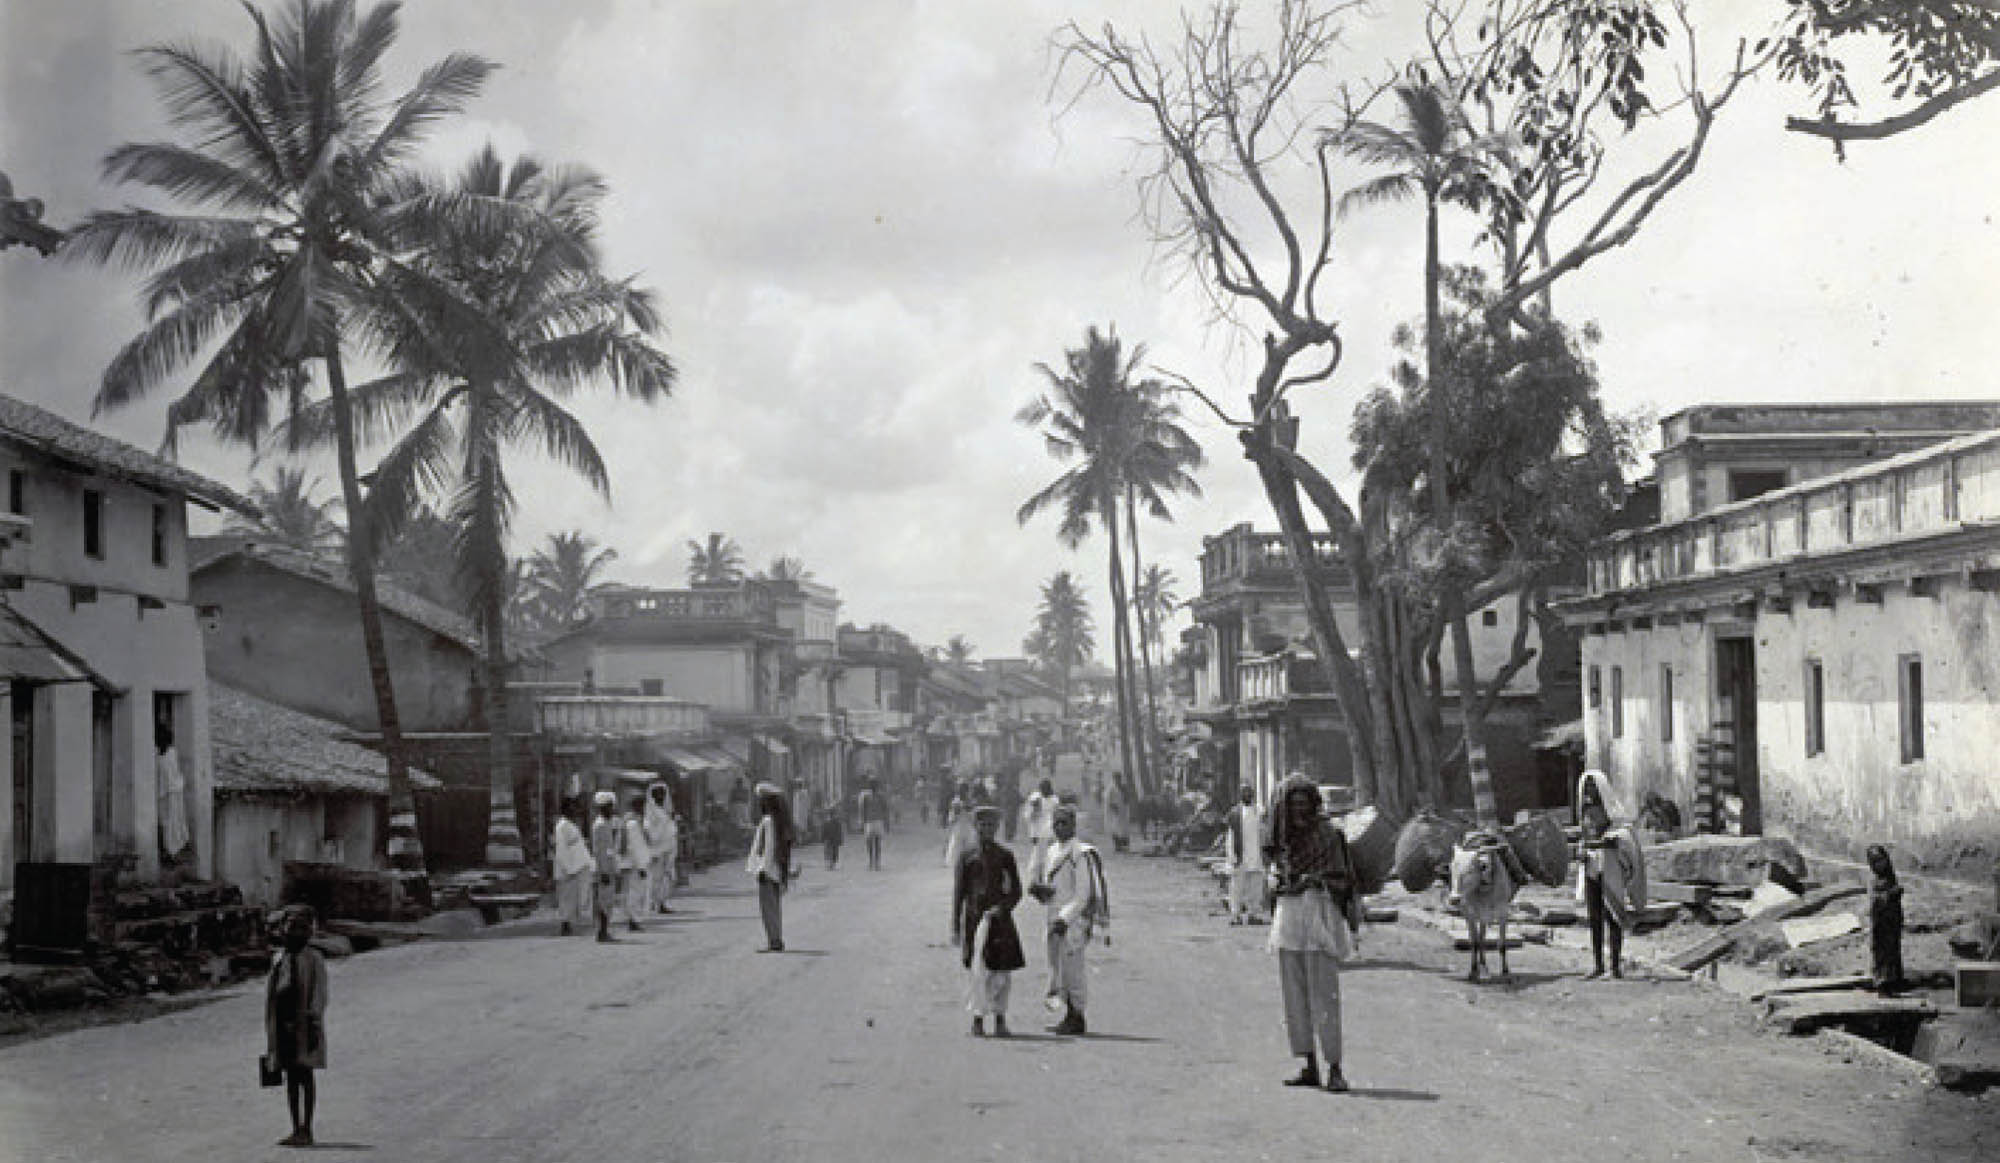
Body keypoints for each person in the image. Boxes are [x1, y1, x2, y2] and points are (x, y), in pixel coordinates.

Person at [1265, 775, 1360, 1093]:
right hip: (1289, 919)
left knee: (1325, 996)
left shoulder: (1330, 835)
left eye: (1304, 803)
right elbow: (1275, 875)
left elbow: (1344, 879)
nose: (1299, 810)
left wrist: (1313, 880)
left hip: (1319, 915)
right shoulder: (1283, 838)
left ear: (1314, 803)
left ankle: (1335, 1068)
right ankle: (1309, 1066)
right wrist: (1280, 883)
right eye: (1293, 805)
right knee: (1294, 996)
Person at [1028, 804, 1109, 1035]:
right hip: (1054, 917)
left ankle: (1077, 1015)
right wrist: (1041, 892)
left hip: (1072, 921)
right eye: (1056, 823)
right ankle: (1067, 1014)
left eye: (1065, 822)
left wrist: (1065, 918)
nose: (1060, 827)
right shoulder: (1053, 851)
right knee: (1058, 967)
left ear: (1073, 825)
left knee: (1073, 969)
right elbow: (1055, 887)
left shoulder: (1080, 854)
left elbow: (1083, 894)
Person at [953, 805, 1026, 1037]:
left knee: (1001, 973)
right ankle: (977, 1019)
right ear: (976, 826)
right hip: (975, 921)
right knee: (977, 971)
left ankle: (1000, 1019)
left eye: (991, 825)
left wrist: (1001, 908)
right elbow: (959, 893)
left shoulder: (1005, 857)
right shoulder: (967, 857)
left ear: (997, 827)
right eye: (983, 825)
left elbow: (1016, 892)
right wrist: (955, 924)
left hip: (1000, 923)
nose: (987, 829)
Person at [265, 905, 328, 1148]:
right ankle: (295, 1128)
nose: (294, 933)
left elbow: (319, 994)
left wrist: (314, 1022)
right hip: (283, 1025)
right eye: (290, 928)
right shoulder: (279, 958)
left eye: (301, 929)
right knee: (290, 1078)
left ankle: (307, 1128)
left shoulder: (313, 959)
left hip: (304, 1025)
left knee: (305, 1075)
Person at [1576, 769, 1647, 980]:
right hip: (1591, 869)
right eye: (1586, 788)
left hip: (1610, 870)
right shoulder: (1585, 813)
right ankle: (1598, 965)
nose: (1589, 792)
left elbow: (1625, 836)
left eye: (1593, 787)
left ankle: (1615, 966)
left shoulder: (1614, 813)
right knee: (1594, 918)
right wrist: (1582, 851)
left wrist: (1612, 840)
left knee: (1613, 917)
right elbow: (1584, 838)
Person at [747, 782, 793, 952]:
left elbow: (768, 848)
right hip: (776, 870)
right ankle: (776, 938)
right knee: (774, 907)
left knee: (768, 908)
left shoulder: (768, 821)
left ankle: (774, 940)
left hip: (767, 870)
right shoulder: (778, 820)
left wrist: (762, 869)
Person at [550, 797, 594, 936]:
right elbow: (561, 849)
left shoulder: (572, 825)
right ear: (566, 809)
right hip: (567, 868)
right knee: (566, 897)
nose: (575, 811)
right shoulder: (562, 826)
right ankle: (565, 924)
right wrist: (569, 868)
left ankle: (571, 923)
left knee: (575, 897)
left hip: (577, 867)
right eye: (572, 808)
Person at [1225, 785, 1267, 925]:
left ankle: (1253, 914)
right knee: (1237, 888)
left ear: (1253, 795)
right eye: (1244, 793)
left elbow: (1265, 834)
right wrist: (1232, 856)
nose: (1247, 795)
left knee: (1255, 888)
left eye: (1250, 793)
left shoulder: (1259, 811)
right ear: (1240, 795)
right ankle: (1235, 915)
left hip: (1256, 856)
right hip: (1240, 855)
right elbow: (1230, 836)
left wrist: (1266, 854)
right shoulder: (1235, 813)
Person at [1866, 844, 1905, 995]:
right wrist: (1889, 895)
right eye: (1876, 861)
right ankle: (1882, 985)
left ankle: (1895, 981)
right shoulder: (1873, 879)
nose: (1881, 864)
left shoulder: (1890, 876)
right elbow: (1875, 900)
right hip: (1880, 923)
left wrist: (1896, 894)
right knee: (1882, 954)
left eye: (1882, 860)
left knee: (1893, 951)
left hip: (1892, 921)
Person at [589, 791, 624, 942]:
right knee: (603, 901)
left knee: (608, 901)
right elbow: (599, 850)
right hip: (603, 867)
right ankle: (601, 931)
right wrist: (603, 871)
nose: (611, 810)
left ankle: (604, 930)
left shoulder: (608, 824)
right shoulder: (600, 825)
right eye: (608, 807)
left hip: (609, 865)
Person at [644, 782, 677, 915]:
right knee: (656, 877)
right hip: (657, 848)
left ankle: (662, 901)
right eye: (657, 793)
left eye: (662, 793)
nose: (660, 796)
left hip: (669, 846)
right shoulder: (650, 810)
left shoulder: (666, 810)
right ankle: (654, 902)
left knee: (667, 876)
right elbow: (649, 830)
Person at [621, 794, 651, 932]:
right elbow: (635, 846)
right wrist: (641, 866)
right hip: (635, 863)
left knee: (634, 892)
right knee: (636, 892)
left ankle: (634, 919)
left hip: (635, 862)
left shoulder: (633, 821)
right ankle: (634, 920)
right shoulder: (633, 823)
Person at [942, 785, 977, 870]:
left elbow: (972, 814)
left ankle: (968, 861)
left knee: (967, 843)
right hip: (960, 825)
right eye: (964, 791)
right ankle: (954, 862)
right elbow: (954, 814)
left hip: (965, 824)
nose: (965, 793)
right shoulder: (957, 801)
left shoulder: (968, 801)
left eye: (965, 791)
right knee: (957, 843)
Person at [858, 779, 887, 870]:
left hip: (872, 821)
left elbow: (884, 808)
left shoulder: (870, 796)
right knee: (874, 842)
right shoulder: (870, 797)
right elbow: (885, 809)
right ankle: (874, 861)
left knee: (873, 842)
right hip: (874, 821)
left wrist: (862, 821)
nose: (874, 788)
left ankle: (874, 862)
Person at [1106, 775, 1131, 854]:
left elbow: (1127, 797)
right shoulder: (1111, 788)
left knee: (1124, 828)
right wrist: (1113, 807)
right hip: (1114, 810)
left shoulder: (1123, 787)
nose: (1118, 780)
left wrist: (1126, 801)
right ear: (1114, 779)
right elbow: (1107, 799)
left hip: (1123, 809)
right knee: (1116, 828)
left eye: (1119, 779)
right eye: (1116, 779)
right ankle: (1118, 845)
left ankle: (1125, 845)